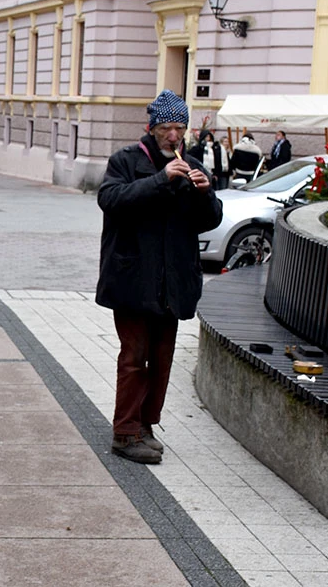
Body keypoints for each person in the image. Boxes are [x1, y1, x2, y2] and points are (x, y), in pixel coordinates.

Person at [96, 89, 223, 465]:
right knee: (135, 356)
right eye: (166, 128)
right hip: (133, 278)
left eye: (179, 128)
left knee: (162, 357)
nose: (173, 136)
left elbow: (209, 220)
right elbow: (111, 200)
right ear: (151, 128)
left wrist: (204, 194)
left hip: (173, 280)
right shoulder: (126, 160)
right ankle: (124, 432)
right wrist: (162, 179)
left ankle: (146, 425)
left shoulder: (194, 162)